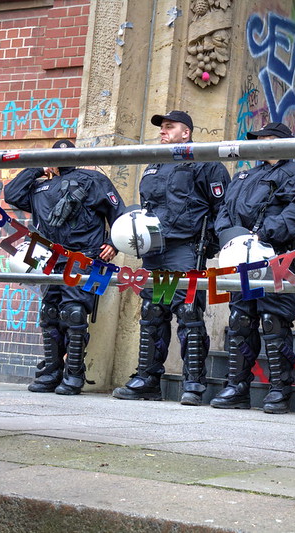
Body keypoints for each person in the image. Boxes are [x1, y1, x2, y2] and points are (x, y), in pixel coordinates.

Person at [112, 111, 229, 406]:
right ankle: (148, 379)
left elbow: (221, 208)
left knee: (188, 313)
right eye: (161, 128)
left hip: (184, 249)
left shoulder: (203, 162)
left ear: (185, 133)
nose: (162, 132)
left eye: (169, 127)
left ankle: (194, 384)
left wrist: (209, 246)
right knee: (154, 312)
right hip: (155, 250)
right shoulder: (154, 165)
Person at [210, 122, 295, 413]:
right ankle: (237, 386)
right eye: (258, 139)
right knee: (240, 320)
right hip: (239, 258)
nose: (260, 143)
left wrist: (262, 236)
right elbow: (223, 211)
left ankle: (279, 390)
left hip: (275, 257)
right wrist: (229, 235)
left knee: (274, 320)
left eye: (266, 138)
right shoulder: (245, 175)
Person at [4, 139, 125, 395]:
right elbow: (12, 194)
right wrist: (36, 168)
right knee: (49, 314)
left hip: (86, 258)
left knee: (74, 314)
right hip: (50, 260)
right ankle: (51, 371)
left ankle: (74, 374)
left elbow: (119, 215)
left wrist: (113, 242)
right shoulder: (40, 187)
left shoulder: (93, 180)